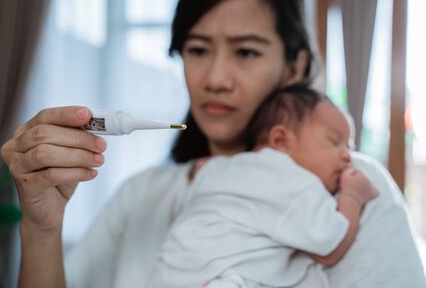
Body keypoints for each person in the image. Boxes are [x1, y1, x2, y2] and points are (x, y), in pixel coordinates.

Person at [0, 0, 425, 287]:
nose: (216, 79)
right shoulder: (142, 195)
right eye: (198, 50)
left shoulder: (348, 179)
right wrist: (41, 228)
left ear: (295, 67)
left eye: (246, 52)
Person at [147, 85, 380, 288]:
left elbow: (198, 176)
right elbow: (331, 246)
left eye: (349, 147)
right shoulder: (295, 182)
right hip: (217, 279)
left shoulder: (221, 167)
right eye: (334, 141)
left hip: (167, 273)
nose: (347, 157)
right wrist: (353, 196)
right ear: (281, 140)